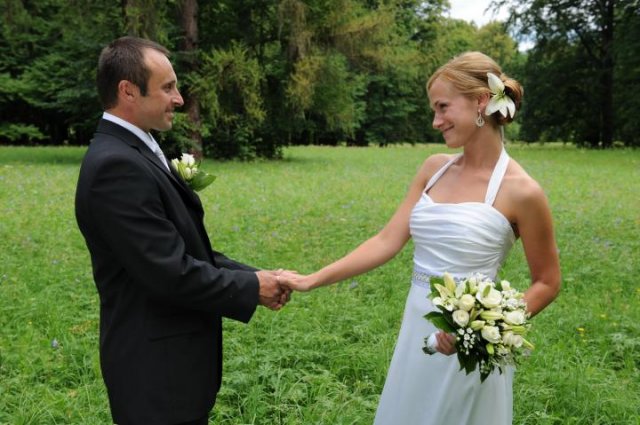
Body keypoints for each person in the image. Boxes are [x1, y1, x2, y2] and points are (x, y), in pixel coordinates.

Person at [281, 51, 561, 424]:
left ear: (481, 101)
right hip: (417, 322)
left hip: (469, 345)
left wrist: (481, 328)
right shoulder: (434, 169)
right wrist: (312, 279)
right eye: (434, 109)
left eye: (443, 107)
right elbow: (386, 241)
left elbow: (548, 282)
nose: (435, 121)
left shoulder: (523, 191)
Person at [75, 36, 290, 425]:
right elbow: (168, 271)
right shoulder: (116, 167)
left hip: (172, 370)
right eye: (168, 88)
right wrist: (251, 287)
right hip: (154, 375)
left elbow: (183, 250)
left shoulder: (139, 150)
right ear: (128, 91)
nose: (179, 99)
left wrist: (257, 275)